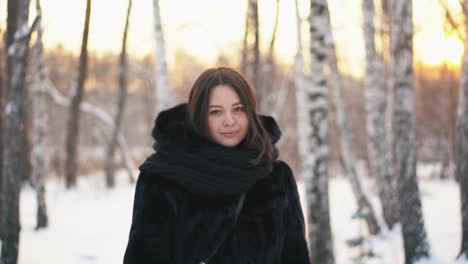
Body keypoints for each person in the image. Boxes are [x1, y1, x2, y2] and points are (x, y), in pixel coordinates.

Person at [123, 67, 311, 264]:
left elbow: (295, 255)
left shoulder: (276, 177)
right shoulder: (162, 179)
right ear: (199, 117)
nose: (229, 121)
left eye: (238, 109)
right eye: (215, 112)